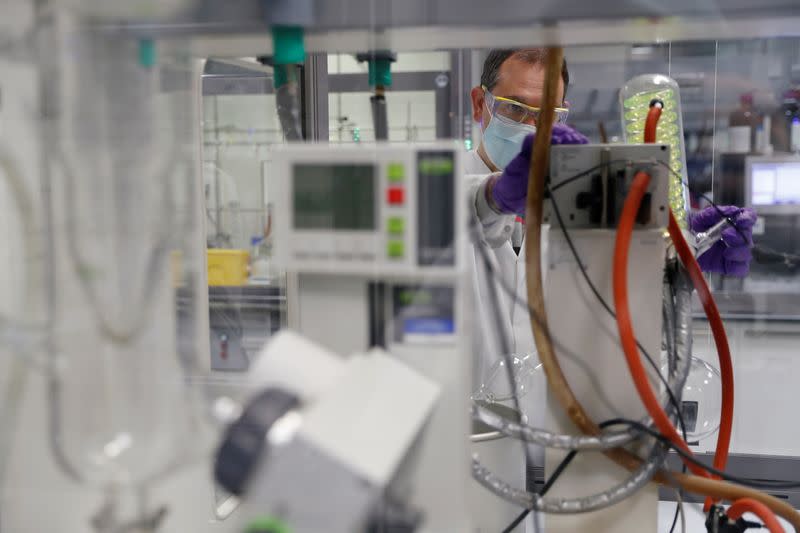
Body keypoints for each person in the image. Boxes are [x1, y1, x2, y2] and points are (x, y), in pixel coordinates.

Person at [464, 48, 755, 530]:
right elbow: (468, 209)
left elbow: (618, 305)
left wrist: (686, 255)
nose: (533, 129)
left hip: (575, 472)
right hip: (471, 472)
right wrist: (496, 194)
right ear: (480, 105)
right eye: (516, 109)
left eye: (549, 115)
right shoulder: (437, 192)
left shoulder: (585, 201)